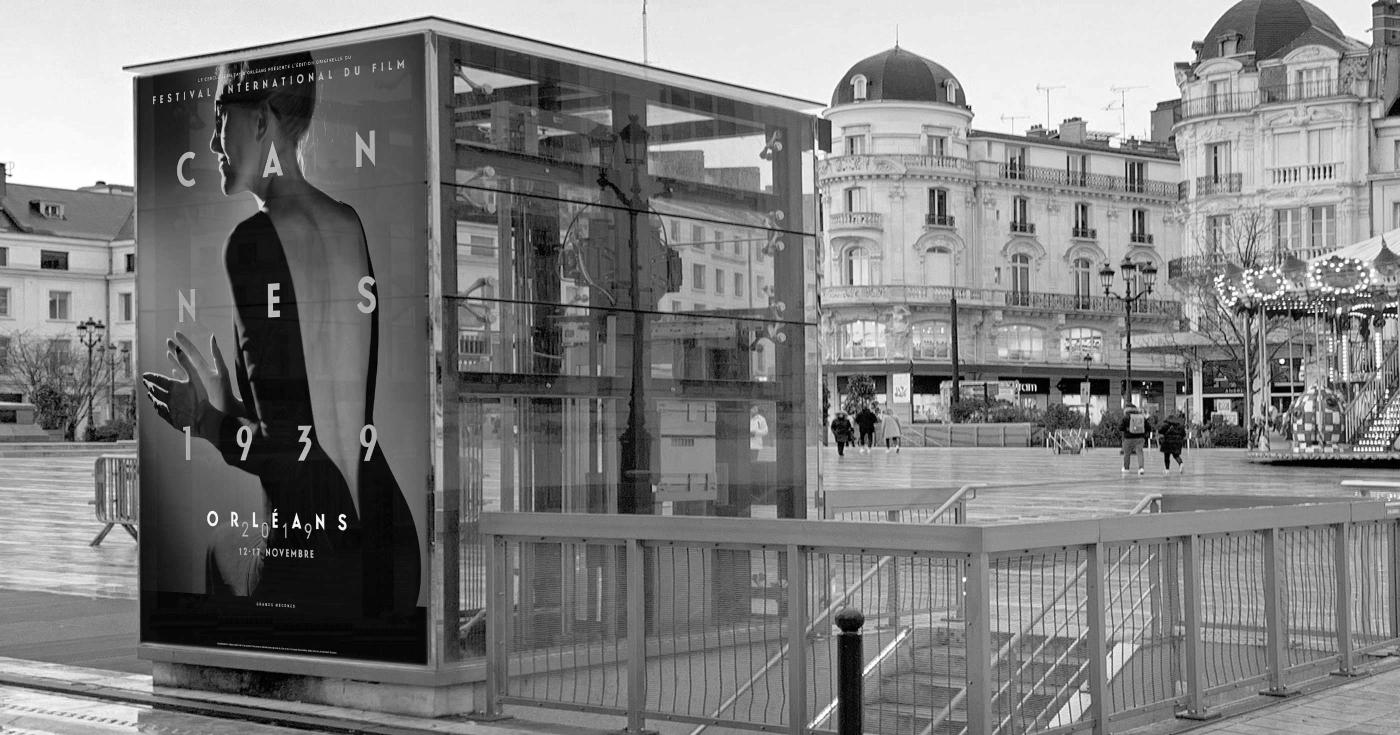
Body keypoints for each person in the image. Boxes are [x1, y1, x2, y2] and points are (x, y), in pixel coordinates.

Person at [141, 52, 420, 615]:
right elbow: (320, 420)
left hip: (315, 556)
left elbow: (288, 457)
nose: (215, 142)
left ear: (262, 120)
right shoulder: (348, 221)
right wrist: (234, 401)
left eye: (220, 114)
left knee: (219, 554)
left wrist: (205, 419)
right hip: (393, 546)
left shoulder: (250, 242)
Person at [1118, 402, 1153, 476]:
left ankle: (1126, 468)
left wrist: (1126, 429)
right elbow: (1149, 427)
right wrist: (1144, 434)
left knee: (1127, 453)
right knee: (1140, 453)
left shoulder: (1126, 417)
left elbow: (1120, 428)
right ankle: (1141, 468)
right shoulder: (1141, 417)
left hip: (1128, 438)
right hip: (1140, 438)